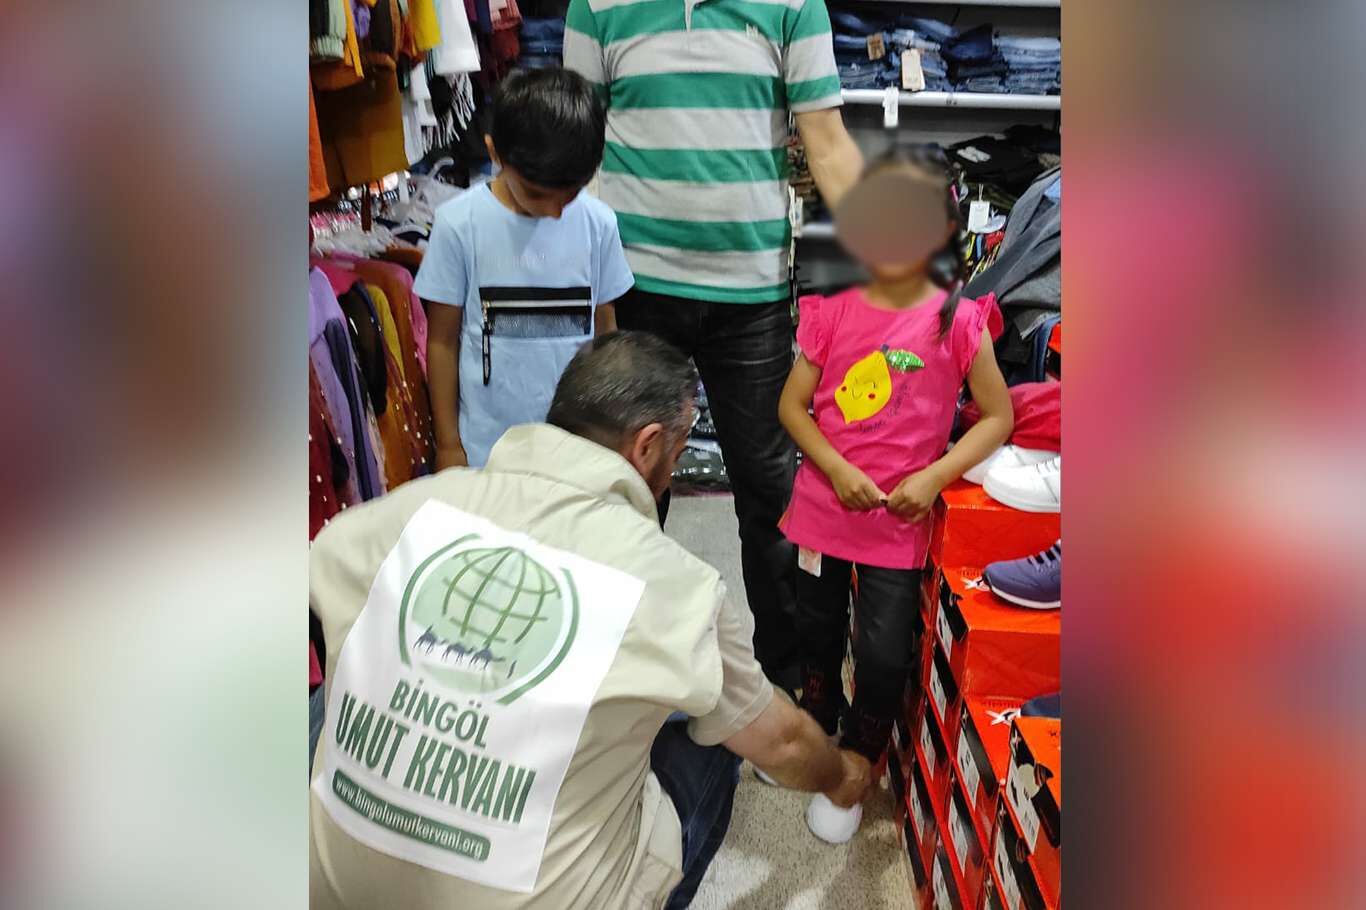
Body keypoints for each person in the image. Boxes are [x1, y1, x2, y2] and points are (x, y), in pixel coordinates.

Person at [309, 331, 873, 910]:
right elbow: (782, 741)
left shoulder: (411, 506)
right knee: (718, 723)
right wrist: (842, 776)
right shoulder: (674, 586)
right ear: (648, 445)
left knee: (337, 686)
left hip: (329, 888)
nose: (674, 470)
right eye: (679, 452)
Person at [563, 0, 865, 690]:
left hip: (752, 291)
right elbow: (578, 140)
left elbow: (826, 139)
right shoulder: (596, 5)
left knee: (770, 490)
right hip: (633, 284)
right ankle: (620, 674)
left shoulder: (796, 5)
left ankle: (785, 680)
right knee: (625, 484)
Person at [777, 153, 1015, 843]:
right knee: (815, 631)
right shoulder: (831, 308)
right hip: (824, 509)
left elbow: (998, 416)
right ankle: (815, 728)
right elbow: (792, 406)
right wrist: (833, 467)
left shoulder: (959, 319)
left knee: (883, 654)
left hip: (898, 522)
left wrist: (936, 475)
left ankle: (858, 760)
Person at [415, 66, 634, 470]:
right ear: (494, 153)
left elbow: (606, 331)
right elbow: (442, 342)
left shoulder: (598, 224)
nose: (554, 212)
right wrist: (448, 444)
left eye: (570, 195)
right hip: (487, 451)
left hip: (577, 450)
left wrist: (613, 431)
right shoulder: (459, 225)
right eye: (536, 194)